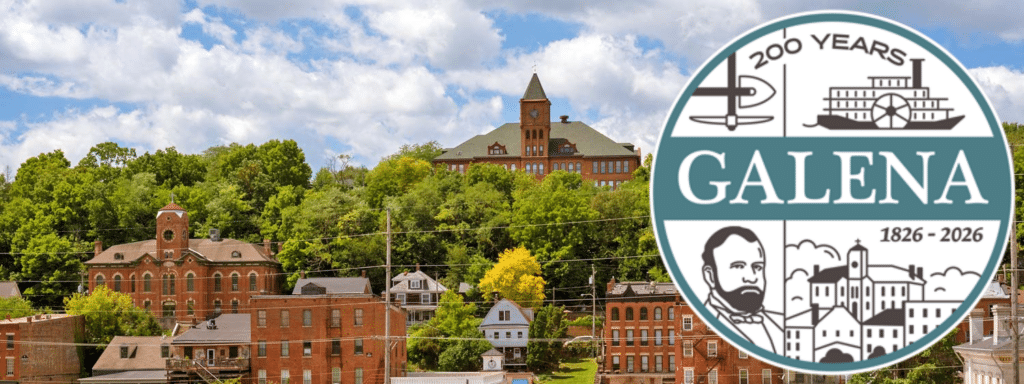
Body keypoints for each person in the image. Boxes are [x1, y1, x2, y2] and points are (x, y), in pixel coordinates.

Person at [701, 226, 783, 353]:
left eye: (758, 267)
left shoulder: (782, 323)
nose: (751, 278)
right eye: (738, 266)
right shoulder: (702, 321)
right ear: (710, 276)